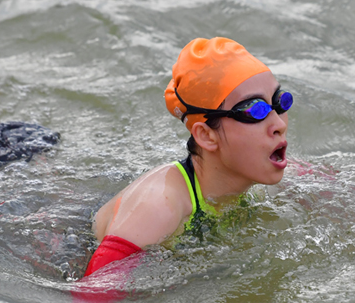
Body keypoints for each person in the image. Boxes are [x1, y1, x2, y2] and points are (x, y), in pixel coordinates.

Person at [82, 37, 292, 278]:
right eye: (255, 110)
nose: (278, 124)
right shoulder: (158, 205)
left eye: (280, 102)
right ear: (206, 135)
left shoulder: (260, 171)